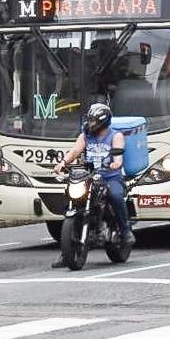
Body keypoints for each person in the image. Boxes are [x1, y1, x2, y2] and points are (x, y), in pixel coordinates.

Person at [51, 103, 134, 268]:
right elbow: (75, 151)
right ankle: (66, 252)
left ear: (103, 121)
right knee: (71, 199)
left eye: (94, 120)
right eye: (89, 120)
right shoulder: (85, 136)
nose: (90, 123)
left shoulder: (115, 136)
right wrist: (62, 163)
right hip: (89, 176)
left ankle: (125, 232)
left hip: (110, 177)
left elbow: (118, 157)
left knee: (116, 196)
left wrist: (115, 164)